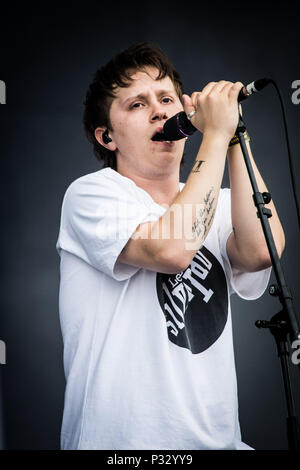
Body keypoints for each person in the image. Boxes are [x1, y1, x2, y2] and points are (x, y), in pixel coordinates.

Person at [56, 42, 285, 450]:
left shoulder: (214, 199)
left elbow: (262, 252)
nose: (161, 111)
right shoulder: (92, 194)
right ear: (106, 136)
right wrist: (214, 135)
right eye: (138, 105)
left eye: (166, 99)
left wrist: (234, 135)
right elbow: (173, 249)